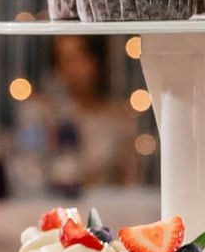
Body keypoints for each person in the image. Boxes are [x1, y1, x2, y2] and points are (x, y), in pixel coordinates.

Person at [34, 31, 144, 190]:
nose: (70, 69)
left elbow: (131, 180)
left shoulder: (118, 117)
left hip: (107, 208)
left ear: (96, 60)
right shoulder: (46, 114)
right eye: (62, 60)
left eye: (77, 58)